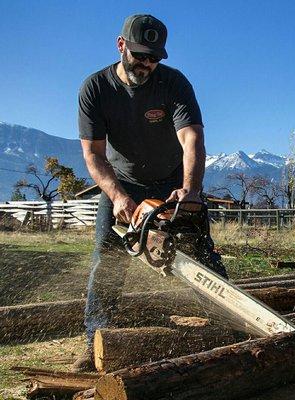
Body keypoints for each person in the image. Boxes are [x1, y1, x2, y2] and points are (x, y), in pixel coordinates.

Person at [74, 14, 227, 372]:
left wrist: (190, 191)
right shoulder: (95, 88)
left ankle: (229, 324)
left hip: (172, 185)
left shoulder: (173, 84)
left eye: (154, 57)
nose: (147, 63)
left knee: (204, 255)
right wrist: (118, 197)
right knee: (106, 262)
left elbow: (192, 138)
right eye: (140, 55)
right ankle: (95, 339)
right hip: (120, 185)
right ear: (121, 45)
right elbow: (94, 154)